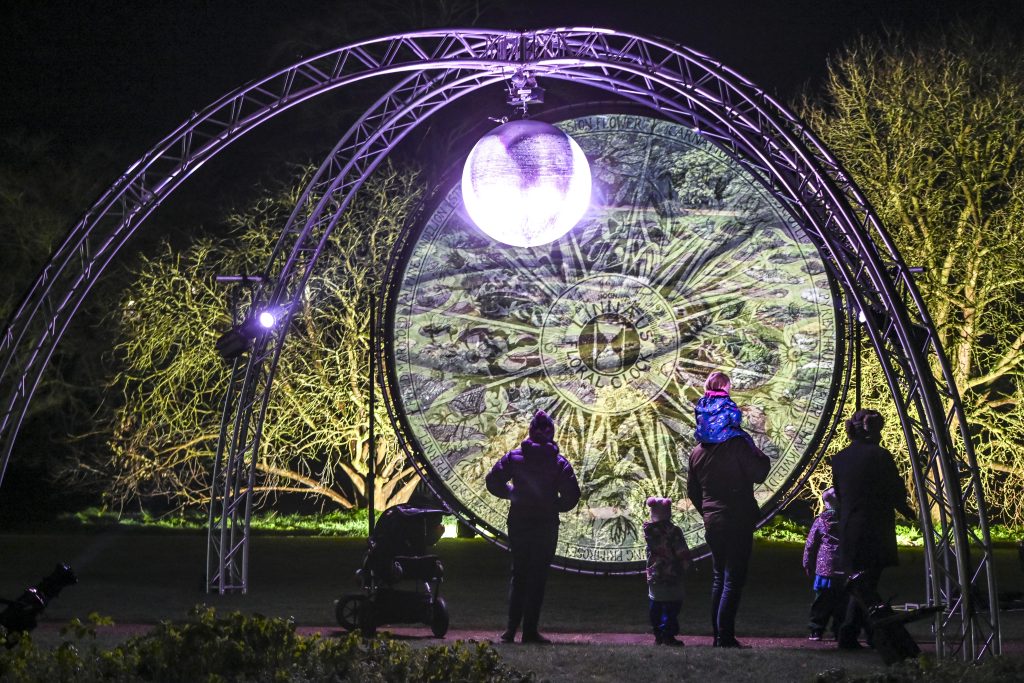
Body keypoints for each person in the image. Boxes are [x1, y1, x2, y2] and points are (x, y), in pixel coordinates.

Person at [687, 376, 771, 648]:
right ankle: (725, 636)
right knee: (733, 579)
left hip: (714, 520)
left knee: (718, 577)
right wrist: (761, 455)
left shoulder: (697, 452)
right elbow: (758, 474)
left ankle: (717, 635)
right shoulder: (737, 444)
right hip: (738, 518)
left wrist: (709, 511)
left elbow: (693, 491)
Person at [486, 409, 581, 644]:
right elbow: (572, 495)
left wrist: (512, 494)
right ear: (551, 434)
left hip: (519, 521)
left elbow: (493, 480)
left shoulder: (515, 457)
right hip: (545, 524)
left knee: (519, 575)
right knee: (537, 577)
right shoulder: (559, 463)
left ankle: (510, 630)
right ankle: (530, 630)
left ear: (530, 432)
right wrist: (553, 505)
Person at [831, 408, 916, 650]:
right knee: (866, 585)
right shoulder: (880, 456)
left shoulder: (839, 459)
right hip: (874, 529)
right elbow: (895, 490)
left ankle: (864, 632)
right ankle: (854, 632)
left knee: (862, 585)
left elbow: (840, 494)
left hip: (850, 528)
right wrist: (908, 512)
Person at [643, 496, 691, 646]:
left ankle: (658, 634)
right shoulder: (674, 531)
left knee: (656, 604)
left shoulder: (649, 532)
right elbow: (681, 551)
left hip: (654, 574)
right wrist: (686, 565)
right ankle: (668, 634)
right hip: (672, 573)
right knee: (672, 604)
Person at [803, 487, 843, 641]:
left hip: (825, 568)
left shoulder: (820, 521)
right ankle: (839, 630)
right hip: (843, 567)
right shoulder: (846, 519)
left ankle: (816, 629)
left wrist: (807, 563)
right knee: (842, 600)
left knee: (821, 601)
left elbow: (811, 544)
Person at [694, 371, 752, 446]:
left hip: (701, 436)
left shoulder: (702, 401)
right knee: (746, 437)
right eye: (728, 385)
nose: (729, 387)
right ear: (724, 386)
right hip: (721, 435)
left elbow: (697, 418)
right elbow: (735, 420)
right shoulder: (727, 401)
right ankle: (757, 455)